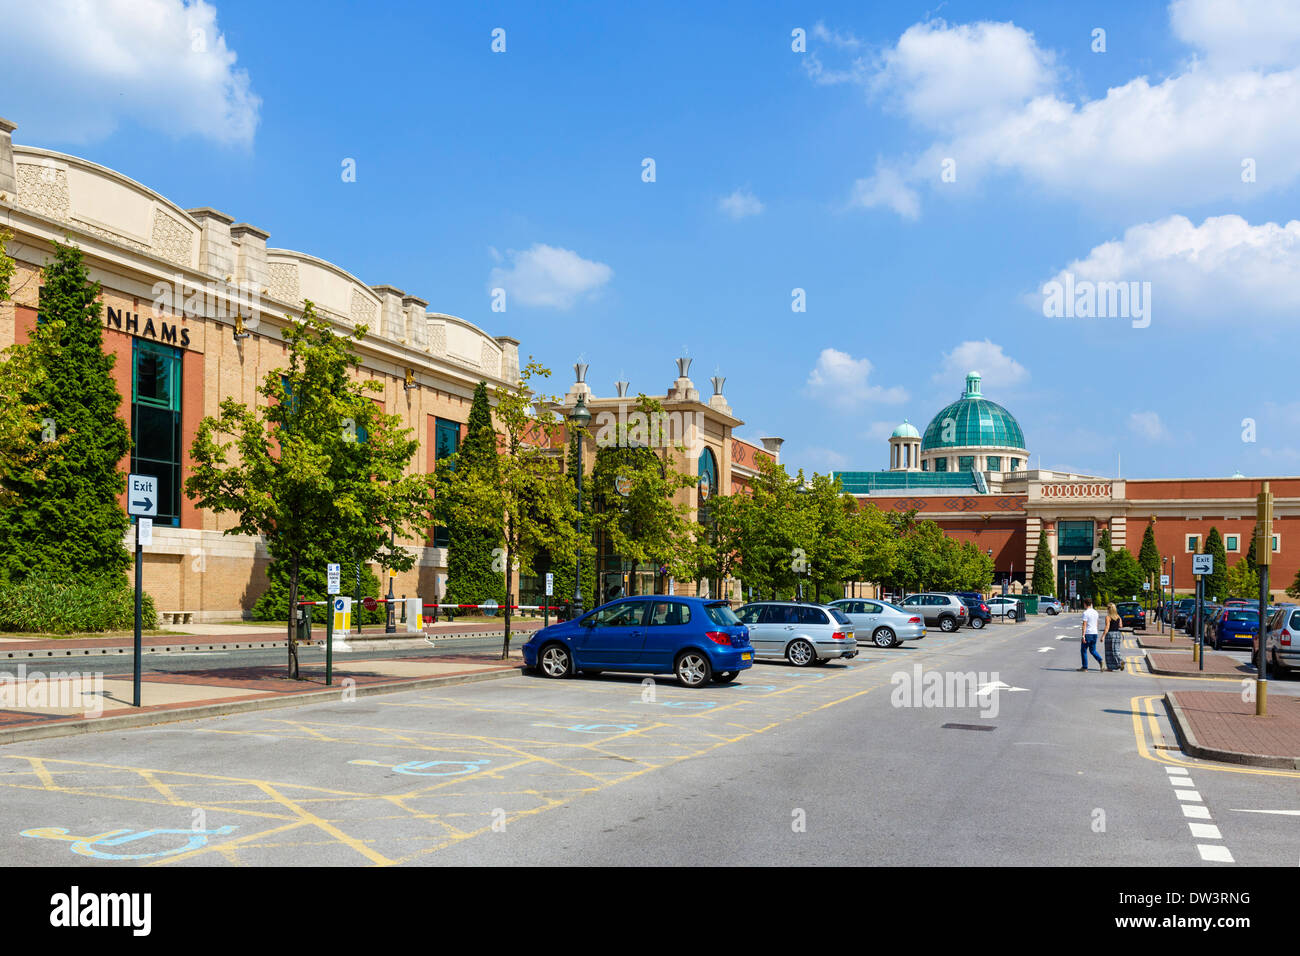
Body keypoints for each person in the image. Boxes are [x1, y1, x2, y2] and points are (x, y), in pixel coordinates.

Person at [1079, 598, 1103, 671]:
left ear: (1085, 604)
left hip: (1088, 634)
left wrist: (1083, 636)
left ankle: (1085, 667)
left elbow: (1084, 625)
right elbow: (1096, 624)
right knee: (1093, 650)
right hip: (1094, 633)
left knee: (1083, 650)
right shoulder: (1096, 612)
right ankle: (1100, 660)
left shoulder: (1085, 613)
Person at [1103, 602, 1124, 671]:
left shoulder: (1108, 617)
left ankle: (1110, 667)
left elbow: (1107, 627)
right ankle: (1120, 661)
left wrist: (1103, 636)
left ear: (1109, 609)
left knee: (1109, 652)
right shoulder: (1118, 616)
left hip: (1110, 635)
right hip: (1117, 634)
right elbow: (1120, 625)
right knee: (1116, 650)